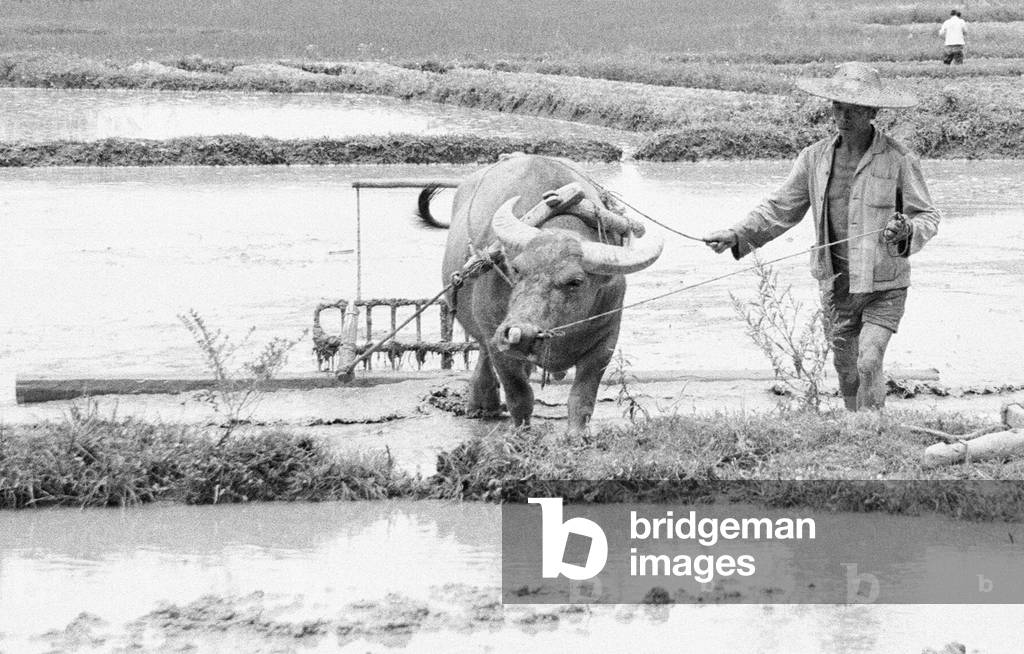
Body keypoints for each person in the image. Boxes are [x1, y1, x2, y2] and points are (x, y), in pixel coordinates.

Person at [704, 62, 941, 411]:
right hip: (836, 282)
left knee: (868, 360)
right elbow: (781, 208)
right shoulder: (814, 158)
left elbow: (927, 216)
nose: (843, 116)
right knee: (846, 369)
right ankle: (854, 425)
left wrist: (907, 230)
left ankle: (870, 429)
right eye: (838, 107)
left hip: (884, 282)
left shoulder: (898, 158)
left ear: (873, 112)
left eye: (855, 109)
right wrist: (737, 234)